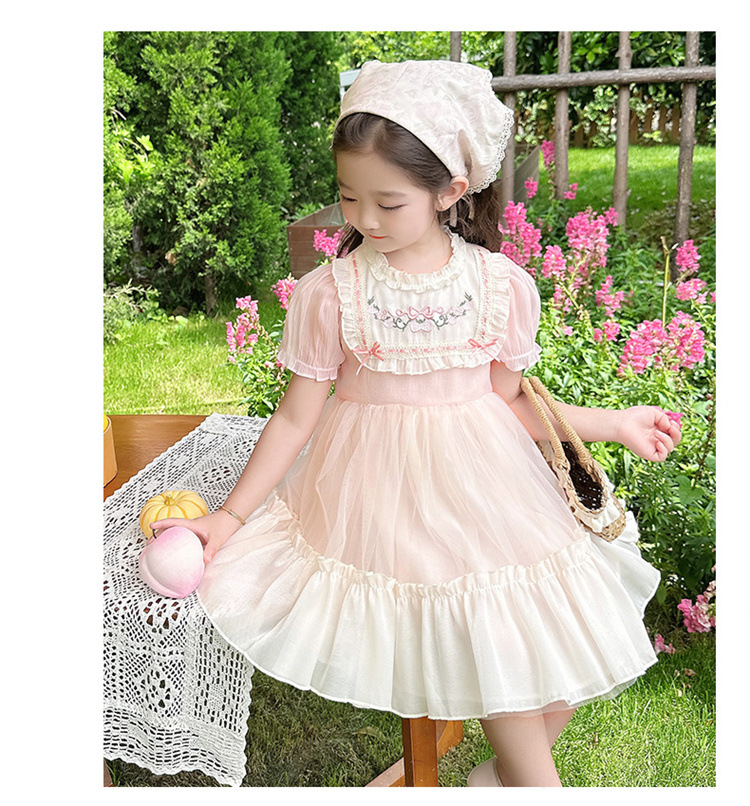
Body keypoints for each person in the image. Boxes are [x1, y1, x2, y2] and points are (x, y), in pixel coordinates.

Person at [150, 60, 681, 788]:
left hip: (488, 486)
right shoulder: (332, 294)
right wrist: (233, 516)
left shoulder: (499, 286)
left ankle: (504, 777)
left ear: (449, 192)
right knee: (490, 627)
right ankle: (531, 784)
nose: (364, 220)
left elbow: (511, 401)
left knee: (550, 624)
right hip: (380, 499)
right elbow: (297, 416)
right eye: (349, 197)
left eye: (388, 203)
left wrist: (614, 423)